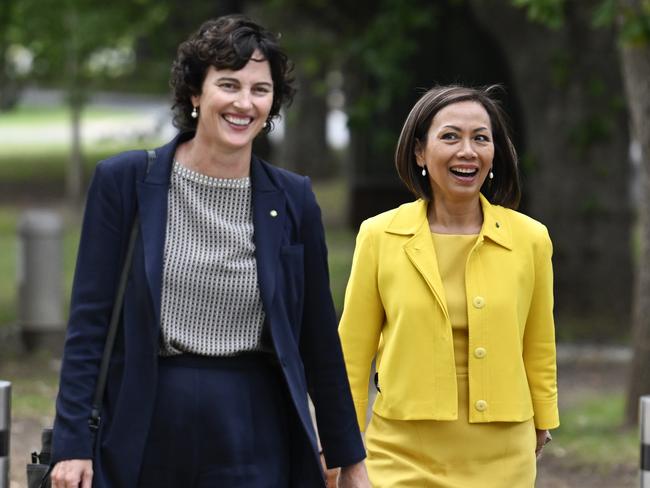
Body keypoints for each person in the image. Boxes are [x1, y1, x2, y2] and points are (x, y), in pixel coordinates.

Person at [50, 15, 369, 488]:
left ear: (272, 104)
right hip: (146, 421)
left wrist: (351, 460)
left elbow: (318, 338)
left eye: (260, 90)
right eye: (228, 84)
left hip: (255, 428)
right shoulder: (125, 183)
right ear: (195, 94)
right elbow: (88, 325)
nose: (244, 103)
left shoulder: (294, 199)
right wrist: (72, 445)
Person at [338, 85, 559, 487]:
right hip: (401, 454)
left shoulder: (530, 238)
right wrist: (342, 449)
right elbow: (352, 353)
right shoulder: (379, 235)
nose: (467, 151)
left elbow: (539, 342)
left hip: (502, 456)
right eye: (451, 136)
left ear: (494, 154)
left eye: (480, 138)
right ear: (420, 152)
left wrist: (544, 418)